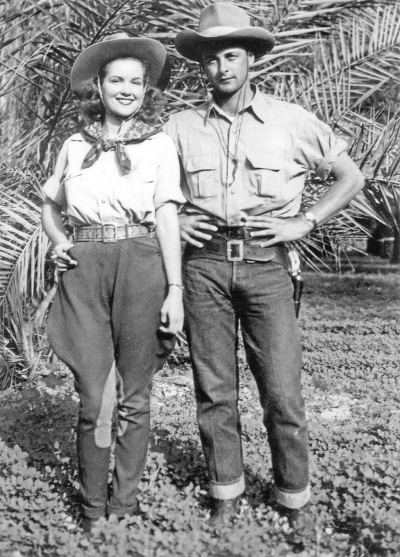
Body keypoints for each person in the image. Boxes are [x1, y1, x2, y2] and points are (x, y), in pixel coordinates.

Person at [163, 2, 364, 528]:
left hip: (267, 266)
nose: (222, 67)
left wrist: (306, 221)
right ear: (200, 66)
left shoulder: (291, 121)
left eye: (232, 55)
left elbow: (351, 177)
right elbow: (150, 193)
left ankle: (292, 497)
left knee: (281, 390)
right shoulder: (179, 127)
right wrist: (175, 221)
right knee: (215, 390)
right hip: (204, 267)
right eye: (211, 59)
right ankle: (224, 495)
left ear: (251, 58)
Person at [42, 33, 186, 532]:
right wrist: (58, 241)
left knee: (136, 395)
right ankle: (92, 509)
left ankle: (122, 505)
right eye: (117, 80)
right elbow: (50, 205)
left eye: (136, 82)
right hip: (85, 267)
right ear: (98, 87)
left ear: (147, 91)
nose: (127, 89)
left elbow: (167, 216)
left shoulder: (160, 145)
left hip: (142, 262)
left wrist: (175, 289)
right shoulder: (73, 144)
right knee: (93, 395)